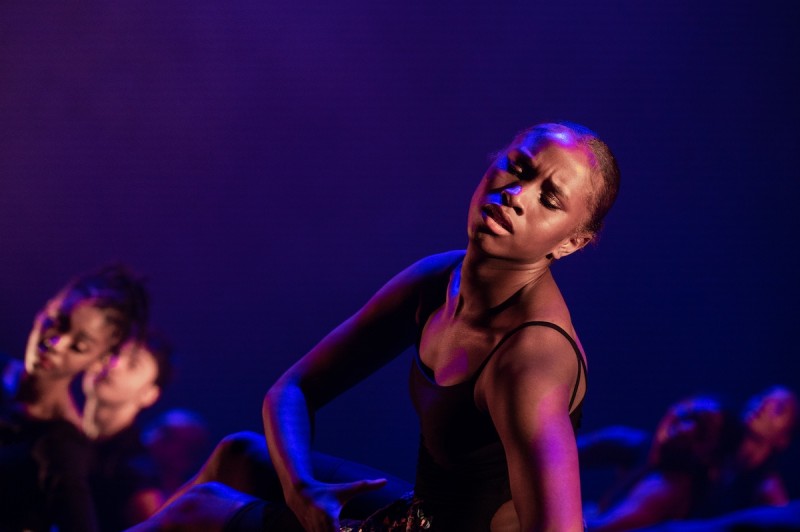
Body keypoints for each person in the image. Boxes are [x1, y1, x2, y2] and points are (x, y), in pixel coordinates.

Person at [133, 121, 621, 531]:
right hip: (419, 517)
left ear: (572, 243)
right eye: (517, 166)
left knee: (198, 512)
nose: (516, 194)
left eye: (549, 199)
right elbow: (293, 390)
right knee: (239, 456)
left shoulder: (528, 360)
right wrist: (302, 491)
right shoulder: (438, 279)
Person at [0, 264, 149, 532]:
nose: (56, 344)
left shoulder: (60, 446)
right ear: (45, 308)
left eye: (80, 346)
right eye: (55, 321)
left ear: (98, 361)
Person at [582, 395, 732, 531]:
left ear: (711, 454)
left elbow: (597, 529)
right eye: (690, 416)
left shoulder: (670, 487)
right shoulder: (633, 444)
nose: (686, 430)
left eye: (702, 432)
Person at [82, 331, 174, 531]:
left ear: (149, 394)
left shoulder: (136, 476)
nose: (114, 365)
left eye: (133, 365)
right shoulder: (61, 436)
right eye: (112, 352)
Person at [694, 385, 798, 517]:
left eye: (779, 409)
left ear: (783, 439)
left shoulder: (769, 494)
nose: (765, 405)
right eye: (763, 397)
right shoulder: (712, 456)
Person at [142, 408, 212, 500]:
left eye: (194, 445)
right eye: (173, 439)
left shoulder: (197, 488)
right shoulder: (134, 480)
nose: (185, 450)